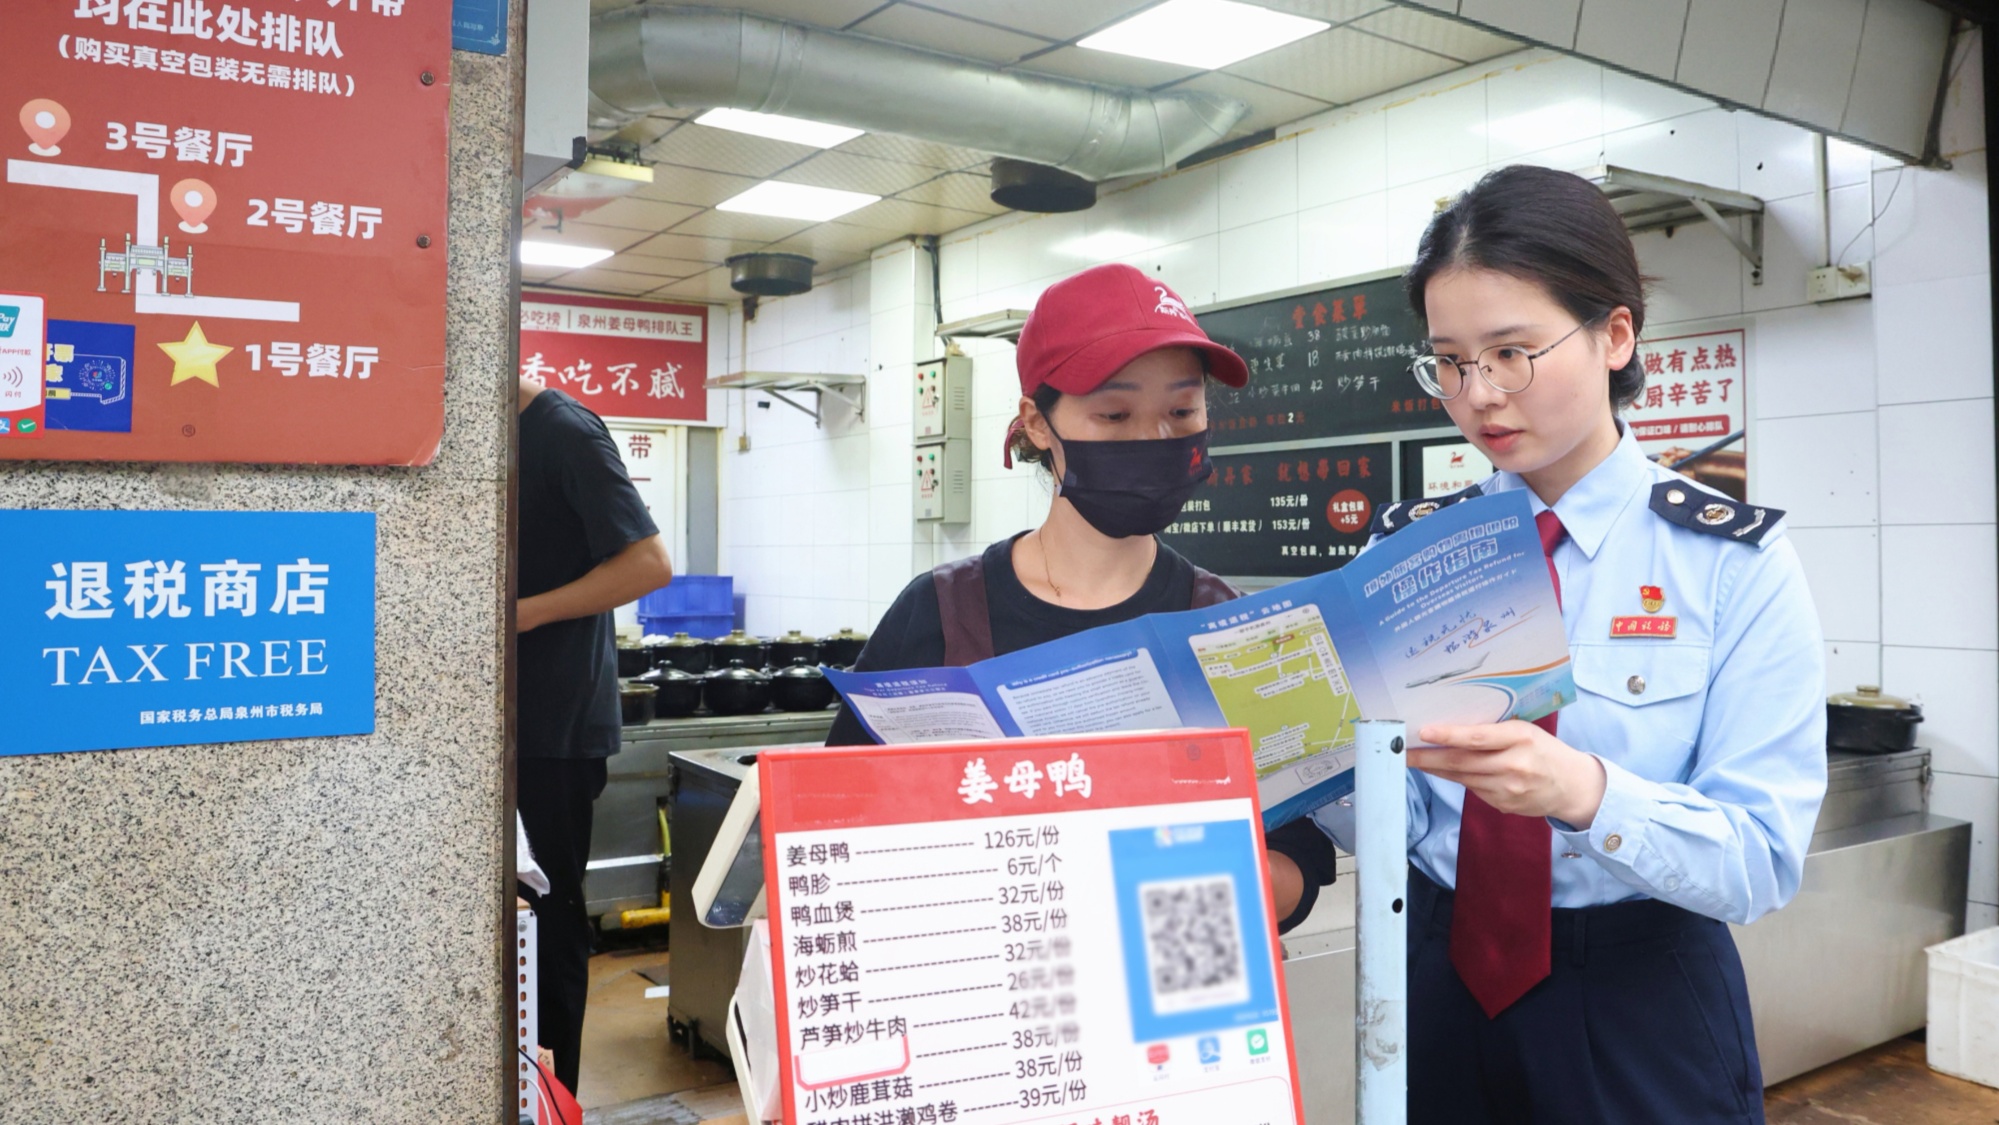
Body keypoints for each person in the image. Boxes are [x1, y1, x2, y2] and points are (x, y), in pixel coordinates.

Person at [1281, 165, 1826, 1123]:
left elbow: (1760, 858)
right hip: (1437, 973)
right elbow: (1397, 820)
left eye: (1511, 352)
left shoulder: (1728, 564)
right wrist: (1309, 753)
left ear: (1614, 335)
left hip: (1638, 991)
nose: (1478, 395)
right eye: (1449, 362)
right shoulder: (1407, 555)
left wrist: (1583, 792)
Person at [825, 262, 1339, 921]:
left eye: (1181, 411)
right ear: (1038, 424)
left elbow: (1296, 871)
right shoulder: (942, 610)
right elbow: (833, 820)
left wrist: (1177, 861)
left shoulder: (1233, 627)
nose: (1155, 439)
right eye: (1115, 414)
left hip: (1172, 973)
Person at [516, 377, 674, 1093]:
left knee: (548, 925)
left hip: (554, 729)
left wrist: (522, 612)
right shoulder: (490, 435)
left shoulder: (564, 431)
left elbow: (649, 563)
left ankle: (557, 1100)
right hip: (506, 724)